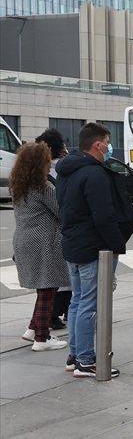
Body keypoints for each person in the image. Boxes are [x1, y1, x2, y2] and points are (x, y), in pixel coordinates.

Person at [56, 122, 133, 378]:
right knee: (90, 304)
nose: (110, 147)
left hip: (72, 244)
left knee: (78, 301)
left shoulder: (66, 171)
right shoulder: (95, 174)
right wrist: (116, 245)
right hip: (93, 247)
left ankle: (75, 355)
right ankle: (86, 360)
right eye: (108, 142)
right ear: (98, 145)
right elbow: (103, 216)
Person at [11, 143, 70, 351]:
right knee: (49, 287)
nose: (49, 164)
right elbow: (62, 212)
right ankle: (42, 338)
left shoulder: (18, 185)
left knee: (43, 287)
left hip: (23, 240)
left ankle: (33, 328)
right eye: (46, 161)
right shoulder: (44, 187)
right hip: (45, 242)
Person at [35, 128, 71, 330]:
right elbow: (58, 207)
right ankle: (49, 319)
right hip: (54, 232)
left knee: (52, 278)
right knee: (59, 276)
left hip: (35, 235)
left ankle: (42, 322)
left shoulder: (28, 174)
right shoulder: (49, 177)